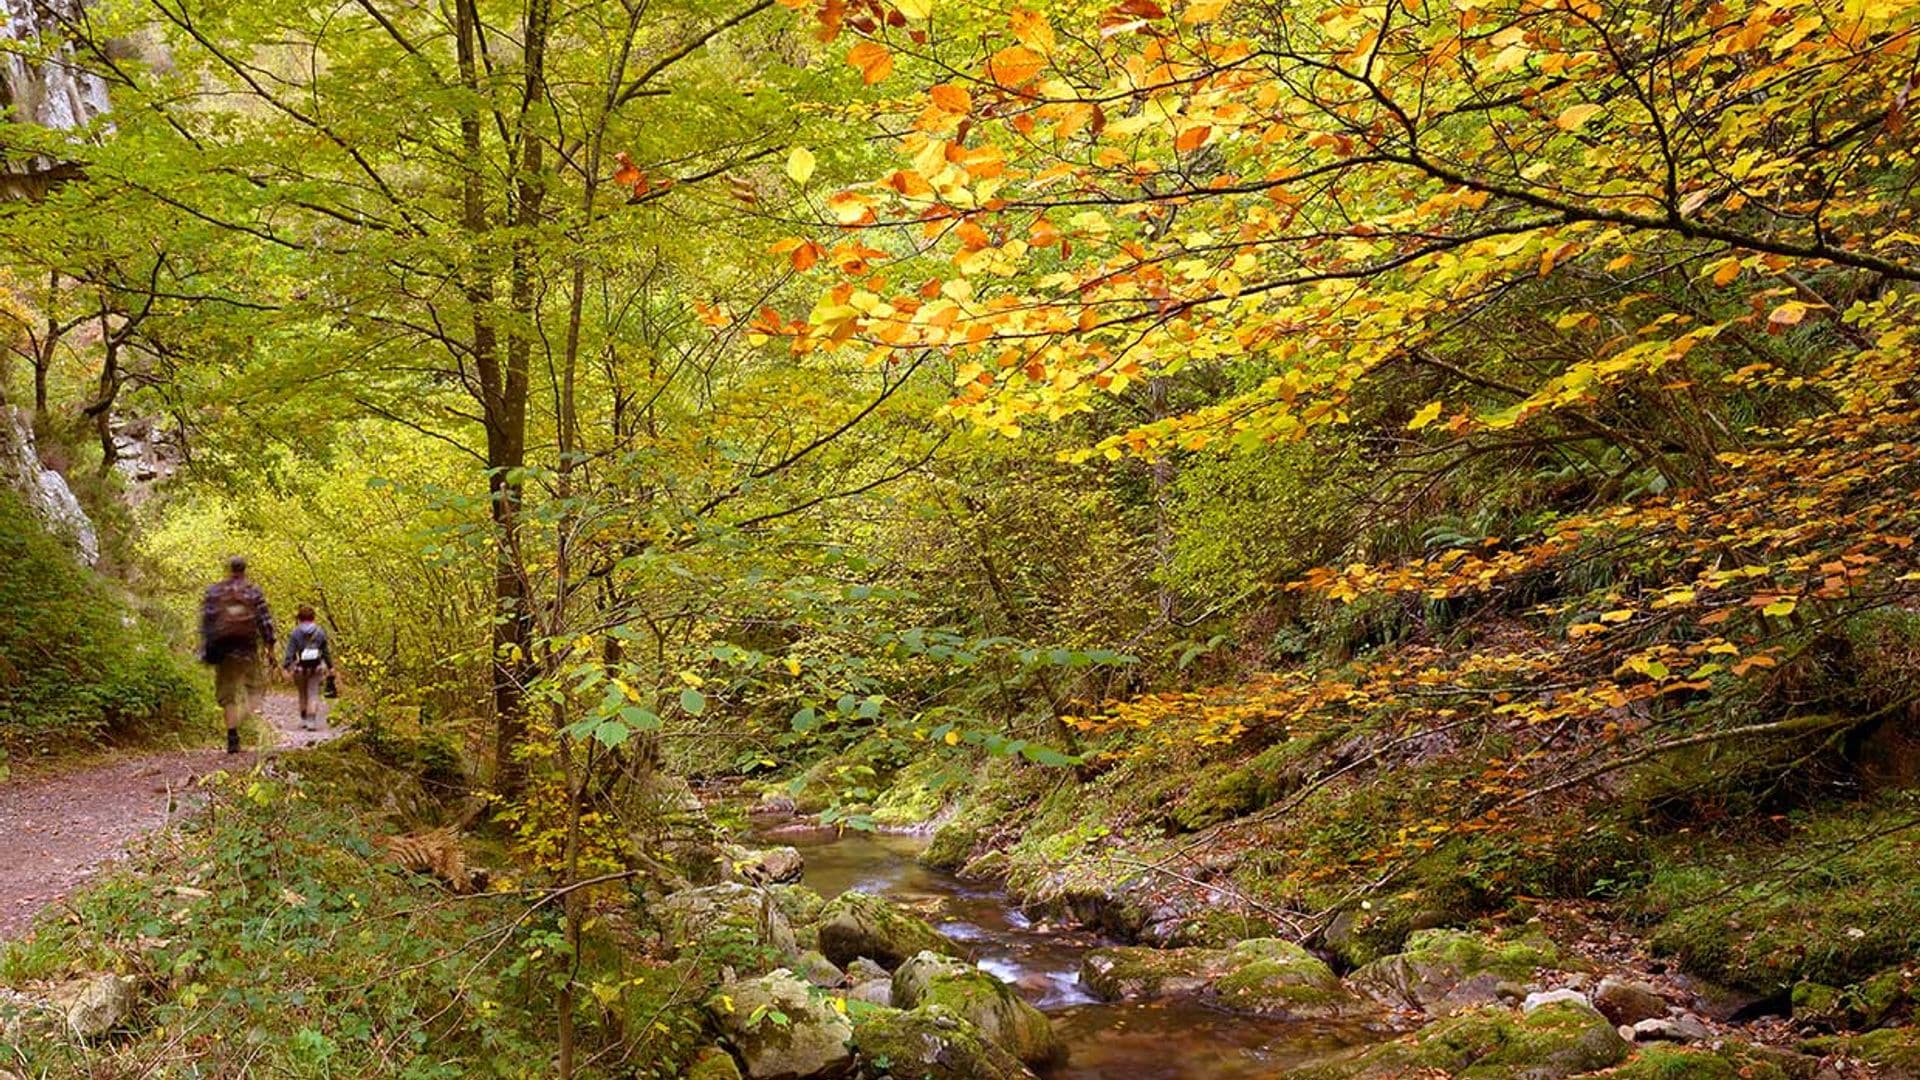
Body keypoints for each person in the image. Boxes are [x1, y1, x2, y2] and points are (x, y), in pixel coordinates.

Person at [200, 555, 276, 753]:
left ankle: (232, 736)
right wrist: (270, 649)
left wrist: (207, 650)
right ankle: (240, 722)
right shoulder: (253, 591)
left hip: (223, 651)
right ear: (244, 570)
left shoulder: (214, 591)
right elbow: (265, 622)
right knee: (256, 692)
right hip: (248, 649)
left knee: (227, 696)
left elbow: (207, 622)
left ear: (229, 569)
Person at [282, 605, 334, 730]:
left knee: (302, 694)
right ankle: (311, 721)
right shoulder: (320, 632)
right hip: (316, 667)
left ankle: (304, 719)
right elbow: (325, 651)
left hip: (299, 668)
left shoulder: (295, 632)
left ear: (299, 618)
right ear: (313, 617)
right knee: (313, 694)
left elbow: (290, 652)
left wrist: (286, 667)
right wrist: (330, 666)